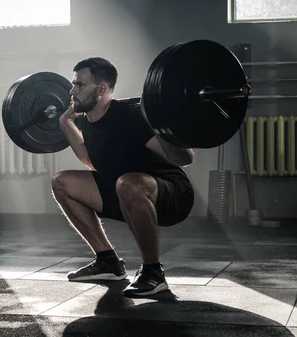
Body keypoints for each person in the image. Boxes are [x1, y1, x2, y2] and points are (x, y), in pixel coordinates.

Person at [51, 57, 195, 297]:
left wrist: (157, 124)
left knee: (127, 183)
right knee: (61, 181)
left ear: (102, 89)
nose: (72, 90)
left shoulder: (132, 116)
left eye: (80, 85)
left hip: (171, 193)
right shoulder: (87, 121)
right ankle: (108, 261)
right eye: (73, 83)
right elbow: (90, 161)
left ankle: (153, 272)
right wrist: (65, 122)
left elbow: (185, 158)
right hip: (123, 190)